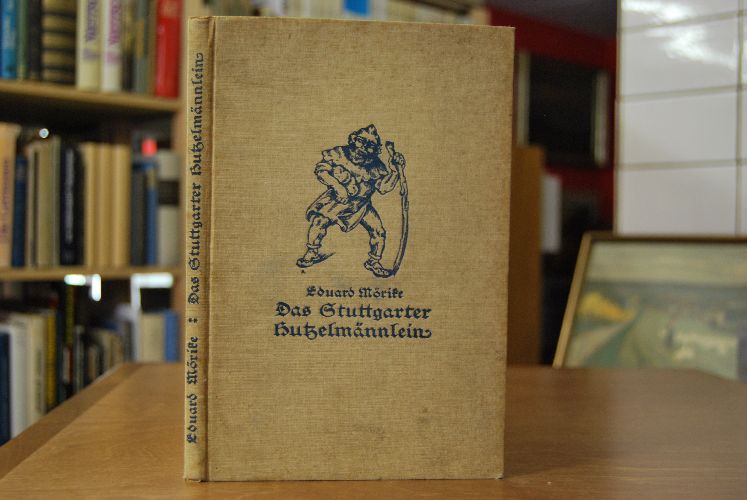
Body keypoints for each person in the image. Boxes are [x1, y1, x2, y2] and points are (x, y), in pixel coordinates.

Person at [296, 124, 405, 278]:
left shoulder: (377, 166)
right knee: (319, 222)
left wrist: (395, 172)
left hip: (361, 205)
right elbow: (321, 171)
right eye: (361, 141)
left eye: (370, 145)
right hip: (336, 200)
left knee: (378, 231)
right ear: (354, 140)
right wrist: (338, 187)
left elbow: (384, 188)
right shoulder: (339, 153)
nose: (364, 147)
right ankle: (312, 252)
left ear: (375, 149)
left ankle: (374, 262)